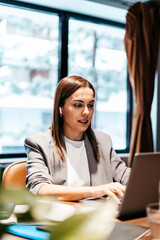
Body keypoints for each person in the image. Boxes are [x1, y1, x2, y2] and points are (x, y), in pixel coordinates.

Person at [24, 75, 131, 202]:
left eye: (90, 105)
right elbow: (39, 189)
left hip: (100, 216)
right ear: (61, 108)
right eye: (78, 105)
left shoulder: (103, 140)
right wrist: (95, 191)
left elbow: (126, 176)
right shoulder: (38, 142)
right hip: (64, 218)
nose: (86, 112)